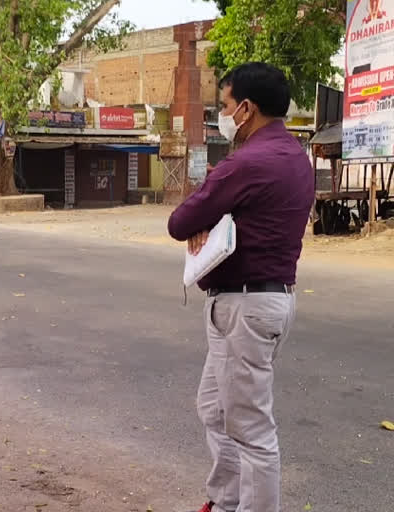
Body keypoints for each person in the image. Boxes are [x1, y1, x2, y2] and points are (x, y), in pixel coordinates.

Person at [167, 63, 314, 512]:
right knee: (213, 407)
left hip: (246, 307)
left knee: (251, 430)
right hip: (263, 301)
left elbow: (180, 222)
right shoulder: (295, 157)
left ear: (246, 109)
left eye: (226, 106)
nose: (223, 116)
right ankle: (225, 500)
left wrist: (207, 215)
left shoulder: (247, 162)